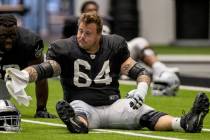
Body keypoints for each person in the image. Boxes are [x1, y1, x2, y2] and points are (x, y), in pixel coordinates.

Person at [5, 12, 209, 133]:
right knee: (76, 110)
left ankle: (184, 123)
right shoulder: (65, 48)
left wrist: (141, 89)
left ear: (99, 34)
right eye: (80, 31)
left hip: (113, 104)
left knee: (144, 112)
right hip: (84, 106)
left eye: (87, 33)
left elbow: (139, 70)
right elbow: (48, 68)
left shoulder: (115, 45)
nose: (81, 36)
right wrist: (25, 75)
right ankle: (77, 124)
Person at [62, 0, 180, 96]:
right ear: (82, 13)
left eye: (95, 10)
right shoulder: (75, 22)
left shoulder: (106, 20)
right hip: (92, 56)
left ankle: (160, 69)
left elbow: (114, 37)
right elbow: (67, 42)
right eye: (89, 10)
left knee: (140, 41)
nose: (93, 12)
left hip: (112, 51)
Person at [0, 14, 56, 118]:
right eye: (3, 36)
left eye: (12, 36)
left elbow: (40, 75)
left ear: (17, 31)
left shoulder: (31, 42)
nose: (8, 40)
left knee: (40, 71)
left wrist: (41, 109)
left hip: (22, 74)